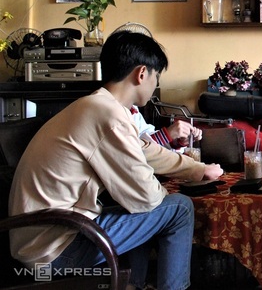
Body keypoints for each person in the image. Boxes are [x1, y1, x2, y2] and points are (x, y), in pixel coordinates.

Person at [8, 31, 224, 290]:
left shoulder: (98, 106)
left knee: (144, 209)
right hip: (54, 251)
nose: (155, 83)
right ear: (142, 73)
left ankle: (134, 285)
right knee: (179, 208)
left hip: (44, 238)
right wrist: (167, 190)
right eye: (156, 76)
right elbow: (147, 197)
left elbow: (145, 151)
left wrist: (199, 170)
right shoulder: (107, 115)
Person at [132, 105, 202, 150]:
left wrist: (176, 142)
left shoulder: (133, 109)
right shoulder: (125, 114)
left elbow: (144, 135)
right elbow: (135, 154)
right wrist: (165, 135)